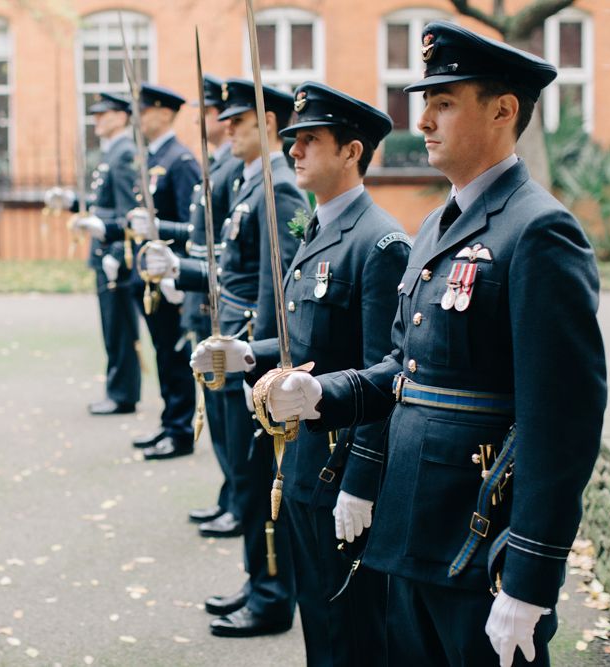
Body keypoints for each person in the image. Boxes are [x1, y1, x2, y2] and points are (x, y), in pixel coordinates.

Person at [261, 22, 607, 667]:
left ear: (503, 110)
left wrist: (530, 577)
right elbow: (403, 370)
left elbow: (562, 421)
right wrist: (321, 392)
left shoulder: (538, 232)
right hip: (409, 532)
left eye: (444, 102)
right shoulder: (435, 228)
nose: (422, 120)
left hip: (481, 544)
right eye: (426, 102)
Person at [192, 82, 412, 665]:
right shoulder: (320, 227)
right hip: (303, 457)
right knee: (320, 617)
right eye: (291, 139)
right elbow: (303, 345)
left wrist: (361, 483)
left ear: (352, 151)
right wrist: (243, 354)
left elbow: (381, 374)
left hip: (340, 466)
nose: (293, 151)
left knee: (350, 628)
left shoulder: (378, 240)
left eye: (311, 140)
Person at [144, 78, 305, 637]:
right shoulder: (252, 183)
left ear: (270, 124)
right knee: (244, 471)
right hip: (231, 342)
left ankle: (271, 595)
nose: (226, 128)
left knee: (259, 481)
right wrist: (183, 271)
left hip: (247, 348)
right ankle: (256, 581)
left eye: (238, 120)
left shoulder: (276, 187)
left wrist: (254, 358)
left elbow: (271, 289)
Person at [45, 92, 141, 415]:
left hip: (114, 256)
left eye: (105, 114)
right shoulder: (112, 152)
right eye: (96, 114)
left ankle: (123, 394)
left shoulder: (125, 153)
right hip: (103, 252)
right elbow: (103, 204)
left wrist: (116, 250)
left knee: (119, 327)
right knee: (111, 326)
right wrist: (73, 201)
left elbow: (128, 212)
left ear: (121, 117)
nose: (97, 119)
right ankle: (118, 390)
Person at [182, 75, 245, 527]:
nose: (215, 121)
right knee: (219, 418)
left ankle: (238, 502)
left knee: (229, 420)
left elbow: (234, 256)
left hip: (225, 307)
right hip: (208, 301)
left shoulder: (236, 170)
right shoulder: (218, 163)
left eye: (221, 114)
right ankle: (230, 495)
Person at [126, 84, 201, 460]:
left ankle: (180, 429)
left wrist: (179, 276)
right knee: (162, 352)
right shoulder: (153, 157)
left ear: (164, 114)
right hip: (152, 276)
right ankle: (170, 421)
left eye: (144, 110)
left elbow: (194, 225)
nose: (137, 117)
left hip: (171, 276)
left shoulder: (180, 160)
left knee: (173, 353)